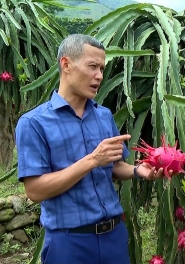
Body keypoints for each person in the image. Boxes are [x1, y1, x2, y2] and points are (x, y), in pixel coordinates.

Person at [15, 34, 171, 264]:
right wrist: (92, 160)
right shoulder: (34, 123)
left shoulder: (103, 115)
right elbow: (35, 191)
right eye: (92, 66)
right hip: (68, 243)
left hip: (114, 236)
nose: (99, 76)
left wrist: (139, 170)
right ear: (66, 64)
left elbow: (116, 166)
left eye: (101, 68)